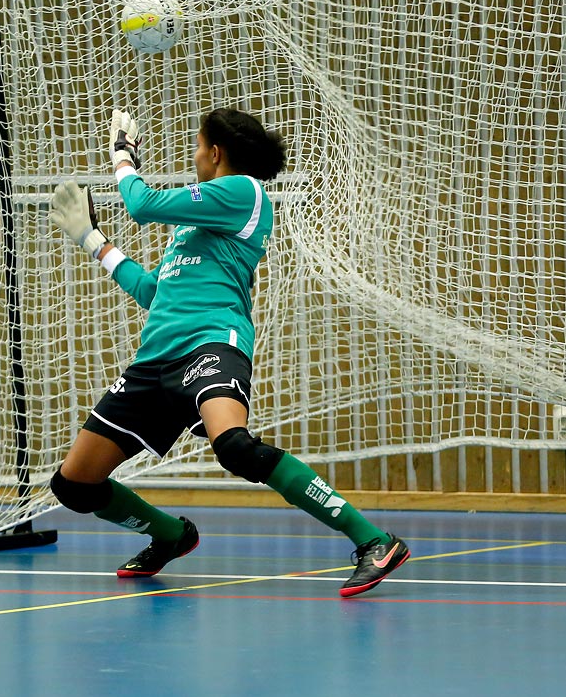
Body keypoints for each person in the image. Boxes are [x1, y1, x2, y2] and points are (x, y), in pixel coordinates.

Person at [45, 106, 410, 597]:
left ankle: (374, 540)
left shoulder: (243, 192)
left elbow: (141, 203)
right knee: (73, 486)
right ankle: (171, 536)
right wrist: (92, 240)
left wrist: (123, 156)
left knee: (235, 448)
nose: (194, 155)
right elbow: (155, 291)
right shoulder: (192, 228)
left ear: (215, 152)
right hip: (154, 361)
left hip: (212, 344)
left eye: (197, 146)